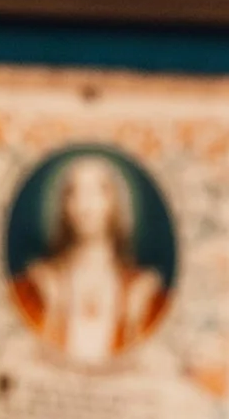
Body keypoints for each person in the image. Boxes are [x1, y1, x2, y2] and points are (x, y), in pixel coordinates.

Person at [10, 152, 168, 362]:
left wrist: (133, 322)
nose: (85, 203)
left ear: (116, 202)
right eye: (74, 192)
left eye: (99, 191)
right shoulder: (35, 286)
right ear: (64, 205)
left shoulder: (143, 292)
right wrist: (53, 312)